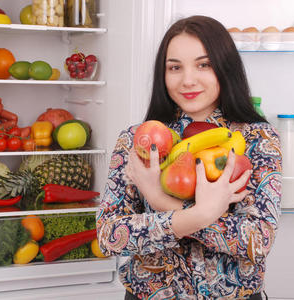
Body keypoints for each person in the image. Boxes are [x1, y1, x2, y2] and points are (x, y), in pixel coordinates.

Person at [96, 15, 282, 300]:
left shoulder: (258, 139)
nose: (188, 80)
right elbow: (110, 236)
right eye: (175, 67)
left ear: (225, 67)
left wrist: (162, 202)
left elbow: (258, 239)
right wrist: (200, 214)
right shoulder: (138, 140)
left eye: (203, 65)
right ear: (163, 73)